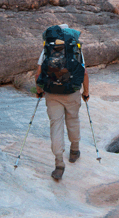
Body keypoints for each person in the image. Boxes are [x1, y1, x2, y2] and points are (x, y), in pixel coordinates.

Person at [35, 24, 90, 180]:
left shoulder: (48, 48)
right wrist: (85, 92)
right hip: (72, 91)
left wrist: (39, 90)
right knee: (73, 120)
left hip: (52, 93)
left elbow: (39, 72)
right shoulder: (75, 48)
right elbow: (84, 72)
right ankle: (74, 151)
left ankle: (59, 164)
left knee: (56, 125)